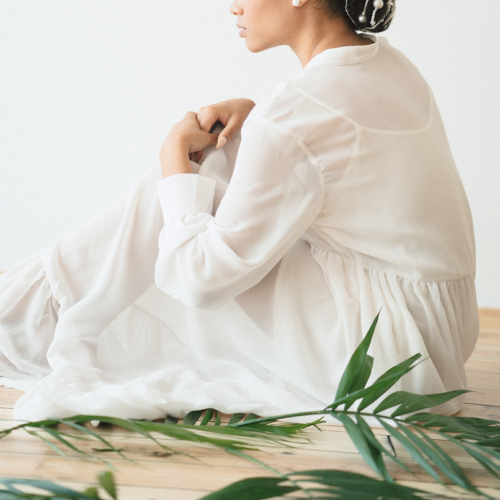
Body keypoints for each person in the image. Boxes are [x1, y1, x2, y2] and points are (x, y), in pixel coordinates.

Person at [0, 0, 479, 423]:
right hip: (437, 342)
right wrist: (255, 122)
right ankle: (39, 310)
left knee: (192, 177)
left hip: (377, 363)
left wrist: (173, 159)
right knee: (221, 159)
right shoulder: (388, 63)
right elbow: (322, 150)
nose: (232, 6)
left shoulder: (296, 112)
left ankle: (28, 316)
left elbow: (197, 281)